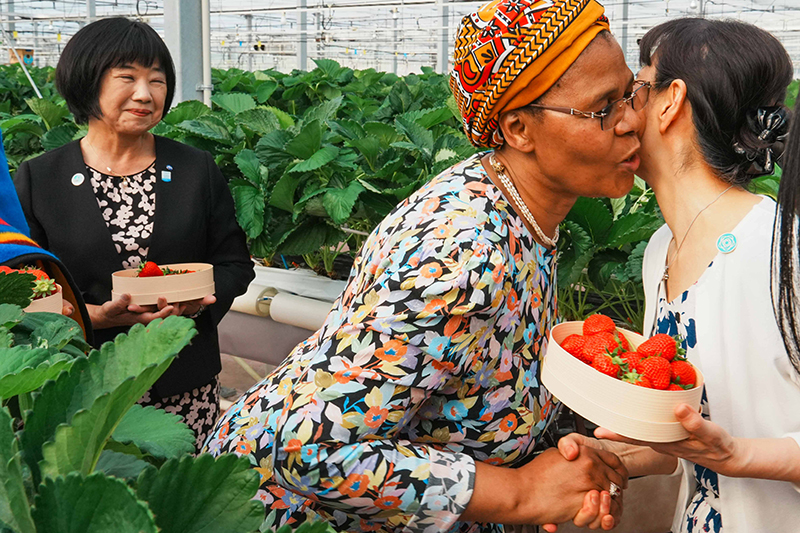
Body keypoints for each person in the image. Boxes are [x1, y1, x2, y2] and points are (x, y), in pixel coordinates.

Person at [204, 0, 644, 531]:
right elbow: (306, 443)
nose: (632, 121)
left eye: (629, 93)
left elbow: (481, 379)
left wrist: (575, 454)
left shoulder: (519, 208)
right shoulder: (462, 253)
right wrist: (519, 492)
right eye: (603, 108)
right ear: (518, 129)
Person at [557, 18, 800, 533]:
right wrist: (600, 458)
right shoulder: (660, 250)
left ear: (670, 102)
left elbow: (727, 449)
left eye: (634, 90)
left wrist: (741, 455)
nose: (619, 113)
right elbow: (678, 444)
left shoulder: (783, 248)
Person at [13, 17, 254, 451]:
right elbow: (25, 288)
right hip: (80, 384)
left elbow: (235, 264)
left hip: (181, 378)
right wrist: (94, 316)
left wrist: (190, 305)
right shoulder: (39, 178)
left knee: (174, 499)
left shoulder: (195, 169)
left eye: (157, 81)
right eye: (127, 77)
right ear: (87, 82)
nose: (145, 94)